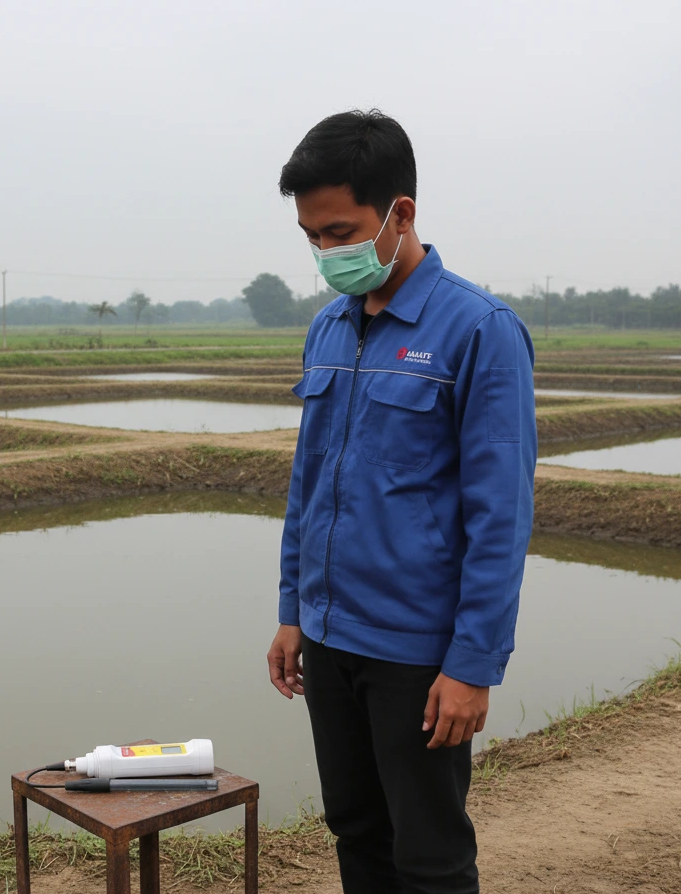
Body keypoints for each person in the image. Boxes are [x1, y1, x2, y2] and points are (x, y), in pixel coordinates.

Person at [267, 110, 537, 894]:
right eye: (312, 236)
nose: (327, 252)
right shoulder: (328, 329)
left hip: (416, 653)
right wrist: (293, 609)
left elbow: (501, 516)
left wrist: (472, 664)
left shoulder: (478, 330)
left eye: (340, 231)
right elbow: (308, 484)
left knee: (429, 851)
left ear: (401, 213)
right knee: (355, 827)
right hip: (329, 635)